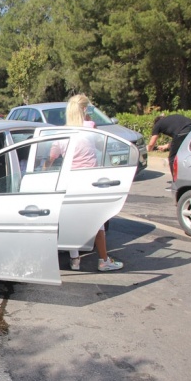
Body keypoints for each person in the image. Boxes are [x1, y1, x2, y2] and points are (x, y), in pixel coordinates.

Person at [60, 94, 124, 272]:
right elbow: (101, 146)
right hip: (90, 180)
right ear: (85, 109)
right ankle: (104, 260)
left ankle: (75, 260)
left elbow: (51, 156)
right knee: (98, 222)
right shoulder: (90, 127)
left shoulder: (62, 132)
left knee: (71, 221)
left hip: (69, 181)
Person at [148, 114, 191, 181]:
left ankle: (175, 182)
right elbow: (177, 138)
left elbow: (152, 142)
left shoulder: (158, 124)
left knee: (172, 158)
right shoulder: (171, 119)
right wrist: (166, 146)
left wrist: (149, 149)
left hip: (183, 132)